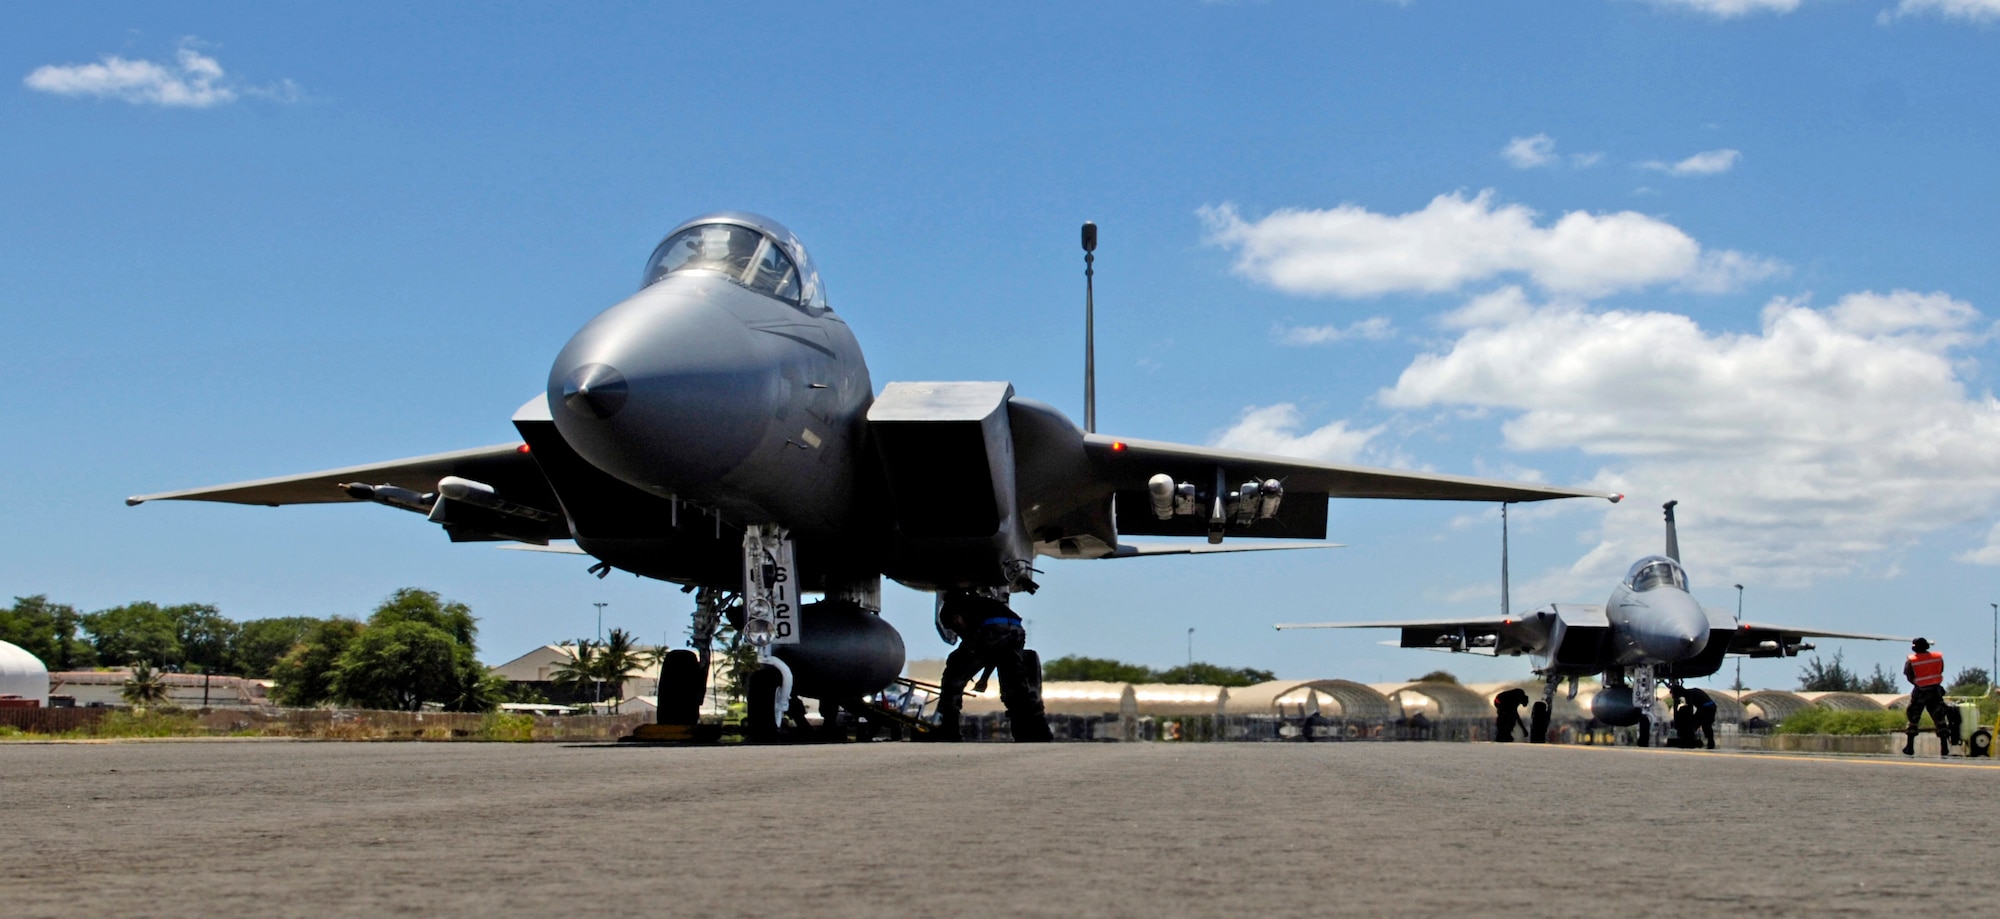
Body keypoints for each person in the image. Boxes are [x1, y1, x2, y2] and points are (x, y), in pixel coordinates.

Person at [932, 590, 1052, 743]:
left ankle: (949, 728)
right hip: (1016, 631)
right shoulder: (985, 603)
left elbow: (981, 642)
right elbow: (994, 653)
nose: (957, 631)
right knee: (1016, 686)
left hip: (991, 629)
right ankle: (1037, 731)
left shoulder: (952, 608)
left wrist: (974, 671)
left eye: (954, 628)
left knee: (954, 673)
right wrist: (984, 679)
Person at [1903, 637, 1956, 757]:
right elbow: (1940, 671)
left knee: (1913, 718)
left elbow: (1909, 675)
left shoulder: (1912, 660)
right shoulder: (1937, 658)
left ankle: (1910, 747)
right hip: (1935, 691)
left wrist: (1919, 684)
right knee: (1940, 719)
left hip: (1920, 691)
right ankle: (1944, 748)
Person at [1668, 685, 1717, 749]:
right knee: (1701, 724)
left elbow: (1689, 709)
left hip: (1707, 708)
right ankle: (1708, 742)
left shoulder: (1688, 695)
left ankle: (1709, 742)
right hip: (1705, 707)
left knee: (1705, 724)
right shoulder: (1690, 693)